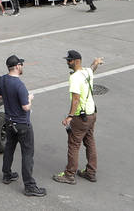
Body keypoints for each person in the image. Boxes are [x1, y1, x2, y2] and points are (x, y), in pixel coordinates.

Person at [54, 50, 104, 185]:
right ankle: (91, 172)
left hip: (80, 117)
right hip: (91, 114)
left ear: (76, 61)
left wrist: (69, 116)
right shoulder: (87, 71)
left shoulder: (75, 77)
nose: (67, 62)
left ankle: (69, 174)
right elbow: (92, 69)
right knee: (90, 142)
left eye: (69, 60)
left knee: (74, 145)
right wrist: (96, 62)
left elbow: (75, 99)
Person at [0, 56, 46, 197]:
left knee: (9, 148)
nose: (23, 67)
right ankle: (30, 186)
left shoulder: (2, 79)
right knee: (27, 153)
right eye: (22, 64)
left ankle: (7, 175)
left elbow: (0, 97)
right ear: (18, 66)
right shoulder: (20, 85)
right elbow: (25, 107)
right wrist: (30, 99)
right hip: (22, 124)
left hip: (9, 121)